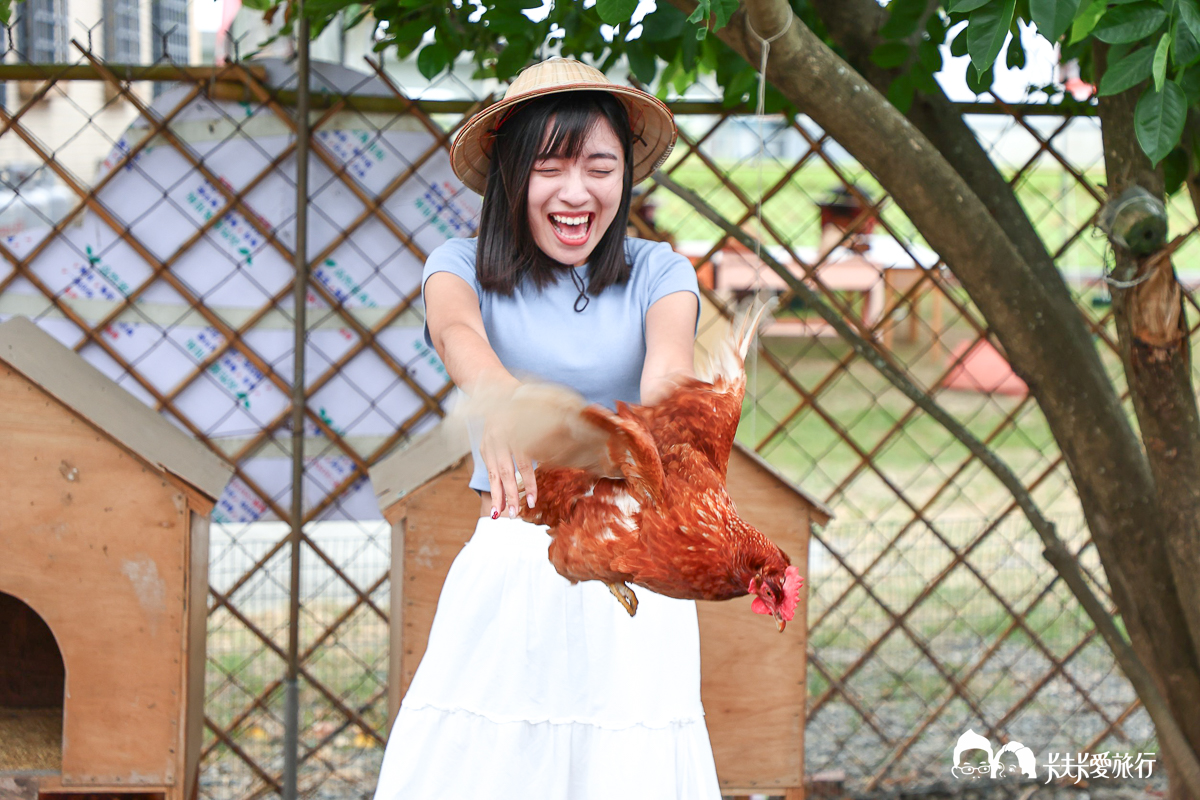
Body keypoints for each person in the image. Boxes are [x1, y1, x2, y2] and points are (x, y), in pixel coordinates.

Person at [371, 58, 722, 798]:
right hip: (514, 563)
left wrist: (650, 435)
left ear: (626, 176)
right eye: (550, 166)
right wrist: (502, 402)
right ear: (510, 175)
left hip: (634, 563)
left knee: (630, 766)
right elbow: (457, 334)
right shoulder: (457, 265)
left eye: (600, 166)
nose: (576, 191)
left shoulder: (661, 273)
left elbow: (669, 369)